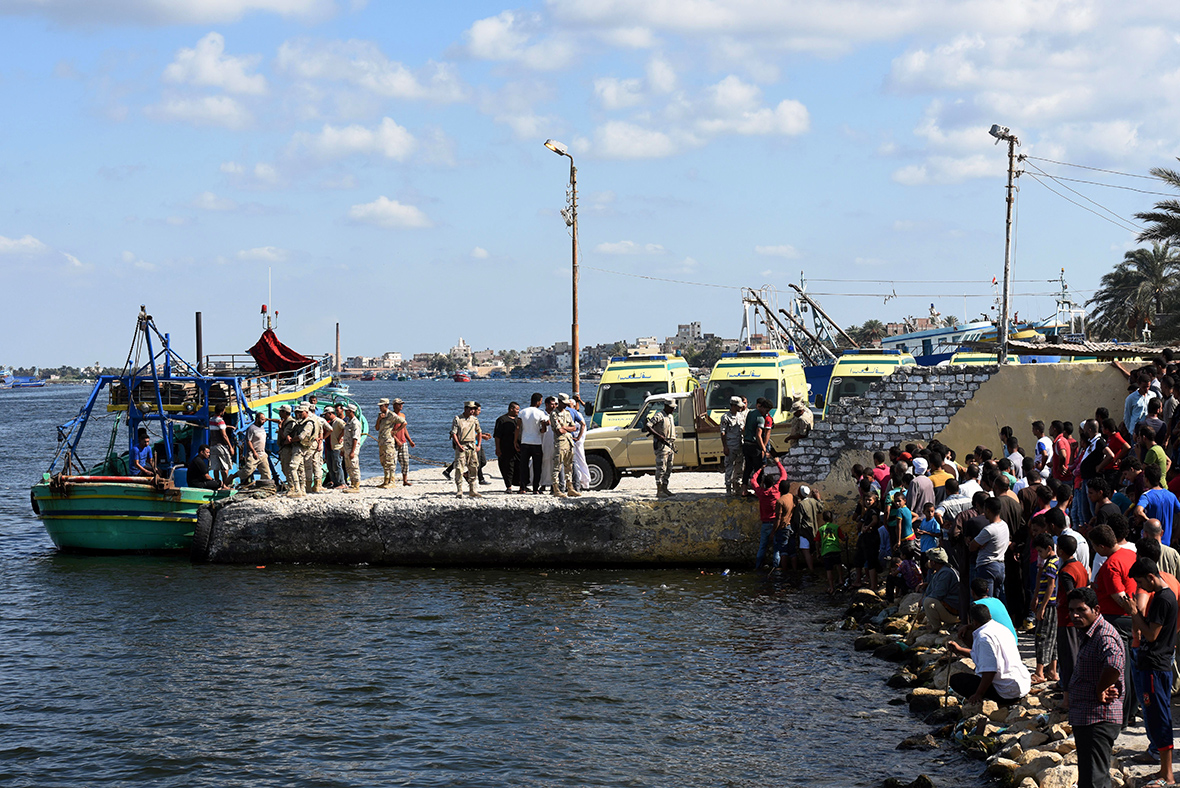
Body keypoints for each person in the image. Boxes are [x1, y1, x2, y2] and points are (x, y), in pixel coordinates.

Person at [1066, 587, 1126, 788]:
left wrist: (1102, 687)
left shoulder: (1104, 635)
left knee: (1094, 780)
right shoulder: (1090, 633)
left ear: (1096, 610)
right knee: (1092, 777)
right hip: (1087, 715)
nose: (1075, 614)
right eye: (1072, 610)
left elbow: (1114, 664)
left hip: (1098, 717)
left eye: (1081, 610)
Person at [1128, 557, 1178, 786]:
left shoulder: (1163, 599)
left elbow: (1151, 635)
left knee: (1159, 718)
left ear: (1151, 577)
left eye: (1141, 582)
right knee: (1158, 717)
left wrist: (1134, 612)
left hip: (1156, 666)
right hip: (1157, 664)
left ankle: (1167, 774)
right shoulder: (1163, 596)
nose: (1141, 588)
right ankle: (1163, 771)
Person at [1089, 523, 1139, 728]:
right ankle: (1131, 711)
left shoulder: (1111, 564)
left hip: (1117, 619)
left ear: (1101, 546)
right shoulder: (1130, 555)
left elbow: (1120, 596)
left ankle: (1123, 713)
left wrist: (1132, 611)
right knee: (1132, 665)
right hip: (1131, 618)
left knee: (1121, 667)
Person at [946, 603, 1031, 705]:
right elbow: (981, 656)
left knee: (957, 680)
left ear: (974, 621)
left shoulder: (983, 638)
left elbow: (990, 671)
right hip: (1022, 685)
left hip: (1006, 693)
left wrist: (978, 694)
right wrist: (959, 650)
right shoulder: (1001, 628)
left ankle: (999, 702)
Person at [1030, 533, 1061, 685]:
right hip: (1051, 606)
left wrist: (1041, 607)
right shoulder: (1055, 562)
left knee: (1042, 637)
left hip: (1048, 606)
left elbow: (1050, 585)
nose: (1040, 555)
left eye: (1041, 552)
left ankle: (1039, 671)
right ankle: (1053, 671)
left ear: (1049, 548)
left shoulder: (1050, 564)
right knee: (1052, 638)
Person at [970, 497, 1009, 601]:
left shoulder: (989, 530)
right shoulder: (1004, 525)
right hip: (1000, 566)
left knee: (986, 600)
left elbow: (972, 546)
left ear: (988, 510)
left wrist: (979, 544)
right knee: (998, 599)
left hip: (987, 566)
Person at [752, 458, 786, 571]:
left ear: (763, 484)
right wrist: (777, 462)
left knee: (762, 546)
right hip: (776, 522)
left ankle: (758, 566)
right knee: (776, 548)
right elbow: (783, 475)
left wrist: (760, 469)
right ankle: (775, 567)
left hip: (765, 523)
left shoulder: (761, 493)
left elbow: (753, 481)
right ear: (772, 483)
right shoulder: (776, 491)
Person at [921, 547, 960, 632]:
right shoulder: (939, 572)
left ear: (933, 562)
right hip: (949, 607)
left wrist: (923, 601)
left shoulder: (946, 573)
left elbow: (938, 594)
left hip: (953, 612)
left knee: (928, 602)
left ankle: (935, 627)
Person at [549, 394, 580, 498]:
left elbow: (574, 427)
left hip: (569, 441)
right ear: (560, 402)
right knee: (557, 466)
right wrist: (567, 428)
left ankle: (570, 488)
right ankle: (556, 488)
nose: (566, 405)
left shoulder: (567, 413)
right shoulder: (554, 414)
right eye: (564, 403)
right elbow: (559, 430)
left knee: (569, 465)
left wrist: (565, 428)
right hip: (560, 442)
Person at [450, 400, 482, 499]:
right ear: (466, 409)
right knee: (459, 468)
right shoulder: (458, 419)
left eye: (474, 409)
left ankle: (472, 490)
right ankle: (459, 490)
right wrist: (458, 445)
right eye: (471, 409)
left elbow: (479, 432)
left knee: (473, 468)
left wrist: (479, 445)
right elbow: (453, 433)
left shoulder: (474, 420)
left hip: (472, 445)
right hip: (462, 445)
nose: (472, 411)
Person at [646, 399, 677, 498]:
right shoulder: (659, 416)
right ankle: (659, 490)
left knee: (669, 467)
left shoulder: (670, 416)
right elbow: (648, 426)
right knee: (661, 468)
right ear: (666, 406)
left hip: (670, 444)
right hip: (662, 445)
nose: (673, 410)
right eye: (671, 408)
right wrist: (658, 436)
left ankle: (665, 487)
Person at [516, 393, 546, 494]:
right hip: (536, 443)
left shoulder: (522, 412)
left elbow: (518, 428)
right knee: (537, 466)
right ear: (538, 401)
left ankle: (523, 487)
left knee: (523, 466)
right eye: (541, 401)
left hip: (525, 442)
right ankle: (535, 488)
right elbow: (542, 430)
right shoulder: (540, 413)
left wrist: (516, 440)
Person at [740, 398, 772, 496]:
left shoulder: (750, 413)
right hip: (754, 447)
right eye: (766, 410)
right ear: (761, 407)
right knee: (758, 469)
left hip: (746, 444)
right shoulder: (760, 418)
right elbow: (759, 435)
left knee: (748, 468)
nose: (766, 413)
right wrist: (764, 449)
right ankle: (757, 491)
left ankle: (744, 490)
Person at [719, 396, 747, 497]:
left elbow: (742, 428)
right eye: (738, 406)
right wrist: (725, 447)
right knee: (729, 468)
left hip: (740, 445)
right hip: (730, 446)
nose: (740, 408)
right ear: (733, 406)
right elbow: (723, 433)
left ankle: (737, 487)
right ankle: (728, 489)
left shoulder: (741, 416)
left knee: (739, 467)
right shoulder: (725, 417)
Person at [237, 412, 271, 486]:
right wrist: (254, 452)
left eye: (264, 420)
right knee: (247, 472)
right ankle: (232, 476)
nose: (263, 421)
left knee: (266, 473)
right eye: (262, 419)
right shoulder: (251, 428)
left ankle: (265, 487)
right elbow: (248, 441)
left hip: (262, 453)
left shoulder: (262, 428)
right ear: (257, 419)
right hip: (253, 453)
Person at [793, 484, 822, 572]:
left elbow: (798, 520)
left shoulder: (801, 505)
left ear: (801, 494)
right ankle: (815, 567)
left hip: (805, 531)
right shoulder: (813, 501)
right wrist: (818, 498)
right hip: (814, 529)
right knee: (813, 550)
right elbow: (821, 509)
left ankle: (811, 569)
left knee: (806, 551)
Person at [494, 402, 521, 493]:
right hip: (505, 447)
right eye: (517, 409)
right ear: (511, 409)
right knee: (507, 467)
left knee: (519, 466)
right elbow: (497, 436)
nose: (518, 411)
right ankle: (508, 486)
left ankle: (521, 485)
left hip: (517, 447)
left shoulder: (518, 419)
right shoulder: (502, 420)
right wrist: (497, 448)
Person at [208, 404, 236, 488]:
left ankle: (217, 484)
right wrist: (230, 447)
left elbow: (217, 427)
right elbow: (224, 435)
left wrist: (228, 426)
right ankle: (225, 484)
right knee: (225, 467)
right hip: (221, 446)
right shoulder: (220, 421)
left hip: (212, 446)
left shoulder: (211, 419)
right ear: (222, 411)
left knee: (215, 467)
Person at [301, 401, 325, 494]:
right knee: (317, 464)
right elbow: (323, 431)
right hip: (316, 444)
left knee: (308, 465)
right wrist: (320, 442)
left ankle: (308, 486)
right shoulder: (317, 419)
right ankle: (317, 485)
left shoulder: (307, 420)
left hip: (308, 444)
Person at [389, 398, 414, 486]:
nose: (401, 406)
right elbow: (389, 430)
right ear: (394, 405)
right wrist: (397, 440)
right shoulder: (391, 416)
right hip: (393, 442)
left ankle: (405, 480)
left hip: (403, 442)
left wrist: (410, 440)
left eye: (402, 404)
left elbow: (404, 428)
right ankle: (391, 480)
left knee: (405, 461)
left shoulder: (402, 415)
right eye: (399, 404)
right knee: (393, 462)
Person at [818, 509, 843, 594]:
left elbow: (817, 541)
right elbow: (842, 538)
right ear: (832, 518)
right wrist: (846, 538)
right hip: (835, 549)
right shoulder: (836, 527)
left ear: (823, 519)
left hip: (826, 551)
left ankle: (831, 587)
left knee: (829, 570)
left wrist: (818, 552)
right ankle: (840, 579)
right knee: (838, 565)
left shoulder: (821, 529)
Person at [375, 398, 398, 488]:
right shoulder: (380, 415)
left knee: (390, 461)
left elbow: (403, 422)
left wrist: (395, 432)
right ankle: (386, 480)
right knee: (383, 461)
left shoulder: (392, 415)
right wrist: (379, 419)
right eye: (380, 406)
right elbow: (377, 428)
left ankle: (392, 481)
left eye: (382, 406)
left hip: (388, 441)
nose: (380, 407)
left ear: (387, 406)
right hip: (381, 441)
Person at [570, 395, 590, 491]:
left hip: (577, 442)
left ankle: (584, 481)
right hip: (570, 442)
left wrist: (577, 439)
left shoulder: (578, 415)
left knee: (580, 460)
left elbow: (581, 427)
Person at [322, 406, 345, 488]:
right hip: (329, 446)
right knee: (331, 466)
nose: (325, 416)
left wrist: (340, 437)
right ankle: (335, 482)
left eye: (326, 415)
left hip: (336, 447)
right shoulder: (330, 422)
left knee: (337, 465)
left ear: (330, 413)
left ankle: (341, 483)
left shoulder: (338, 421)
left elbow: (345, 428)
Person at [342, 403, 363, 492]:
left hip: (352, 448)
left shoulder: (355, 423)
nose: (345, 412)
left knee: (354, 466)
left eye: (346, 410)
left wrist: (352, 451)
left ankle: (356, 485)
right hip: (347, 448)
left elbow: (355, 437)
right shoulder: (349, 422)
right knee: (348, 467)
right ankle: (352, 483)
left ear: (350, 411)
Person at [276, 404, 295, 490]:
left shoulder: (290, 422)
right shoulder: (285, 421)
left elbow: (284, 435)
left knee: (287, 467)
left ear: (285, 412)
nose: (279, 413)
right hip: (284, 448)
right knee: (284, 467)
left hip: (287, 448)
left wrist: (280, 428)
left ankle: (292, 487)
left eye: (280, 411)